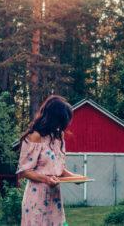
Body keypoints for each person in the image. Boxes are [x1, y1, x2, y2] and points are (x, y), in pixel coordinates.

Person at [16, 95, 82, 226]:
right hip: (36, 198)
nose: (63, 126)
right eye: (61, 121)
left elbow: (57, 168)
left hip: (55, 198)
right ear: (53, 118)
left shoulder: (58, 136)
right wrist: (46, 179)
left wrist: (74, 178)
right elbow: (24, 171)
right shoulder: (35, 137)